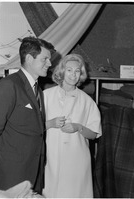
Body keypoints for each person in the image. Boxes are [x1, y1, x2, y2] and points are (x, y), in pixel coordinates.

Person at [0, 37, 56, 194]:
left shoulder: (38, 90)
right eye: (45, 59)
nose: (50, 64)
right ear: (29, 58)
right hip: (11, 174)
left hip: (33, 171)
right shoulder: (8, 85)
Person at [42, 54, 102, 198]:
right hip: (50, 158)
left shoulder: (87, 101)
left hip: (77, 160)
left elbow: (94, 134)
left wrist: (78, 127)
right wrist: (51, 123)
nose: (73, 75)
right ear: (61, 71)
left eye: (77, 71)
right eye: (69, 70)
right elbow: (32, 127)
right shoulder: (45, 96)